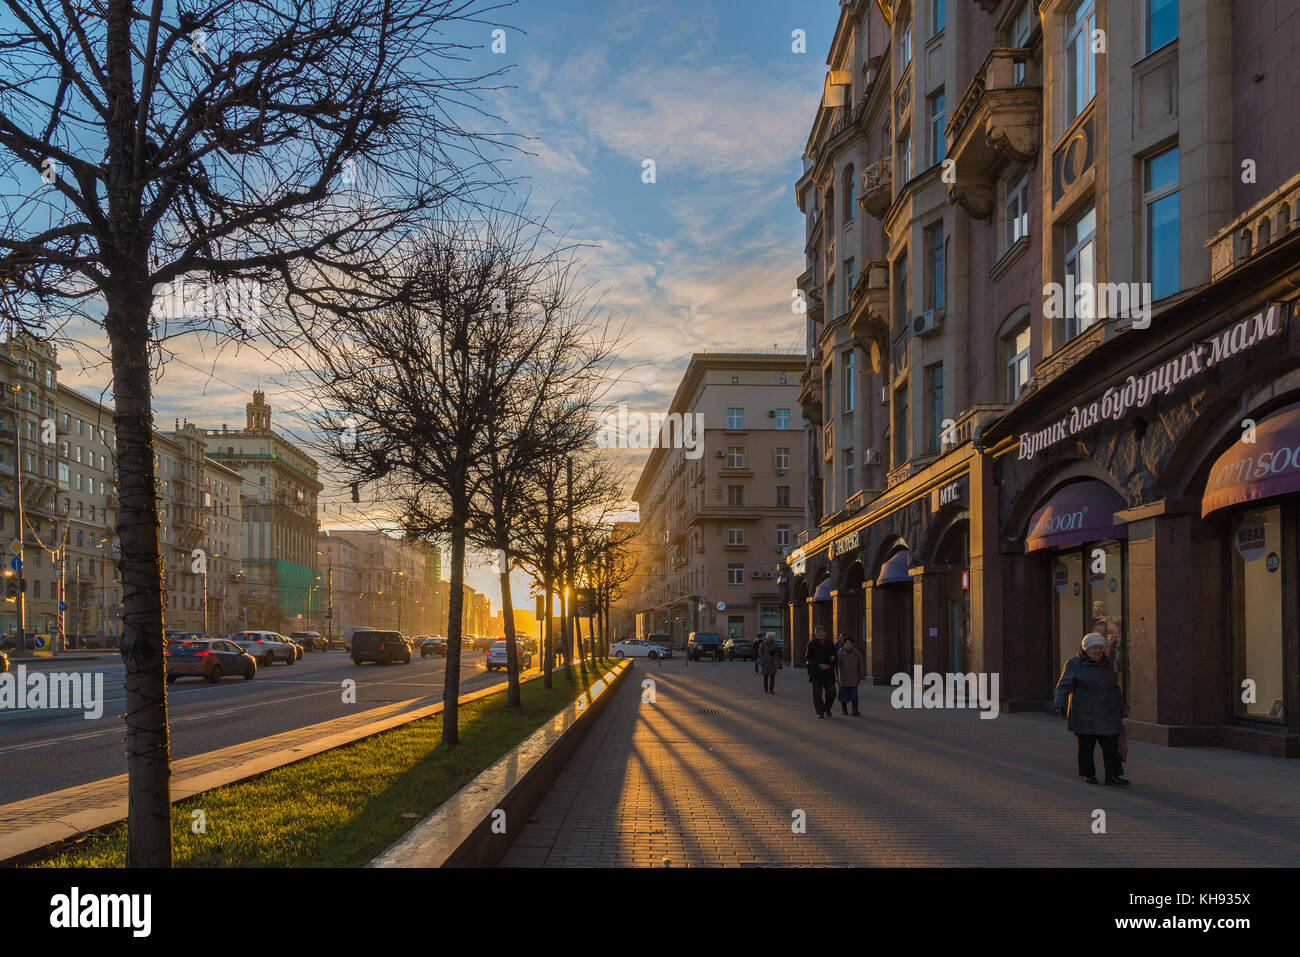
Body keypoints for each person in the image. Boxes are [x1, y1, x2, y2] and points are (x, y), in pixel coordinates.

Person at [1052, 632, 1130, 786]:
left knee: (1110, 747)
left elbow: (1115, 689)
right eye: (1094, 648)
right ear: (1086, 649)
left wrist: (1121, 708)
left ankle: (1113, 776)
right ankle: (1088, 774)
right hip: (1084, 713)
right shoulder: (1075, 664)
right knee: (1086, 747)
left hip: (1108, 713)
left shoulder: (1108, 665)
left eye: (1100, 648)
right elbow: (1063, 686)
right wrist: (1058, 704)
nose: (1098, 651)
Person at [805, 625, 838, 718]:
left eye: (822, 631)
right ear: (816, 634)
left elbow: (834, 657)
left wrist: (829, 665)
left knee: (832, 693)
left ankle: (827, 707)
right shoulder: (811, 644)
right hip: (816, 673)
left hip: (828, 673)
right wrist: (818, 665)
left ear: (825, 633)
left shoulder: (830, 644)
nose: (821, 633)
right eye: (818, 632)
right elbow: (808, 659)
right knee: (817, 694)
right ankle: (820, 712)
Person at [836, 635, 864, 716]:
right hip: (844, 678)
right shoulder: (841, 652)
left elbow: (861, 666)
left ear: (853, 644)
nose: (849, 645)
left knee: (854, 695)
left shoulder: (857, 653)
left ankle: (855, 710)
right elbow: (837, 662)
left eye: (850, 643)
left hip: (854, 678)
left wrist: (862, 677)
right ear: (844, 644)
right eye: (847, 643)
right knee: (843, 695)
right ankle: (844, 709)